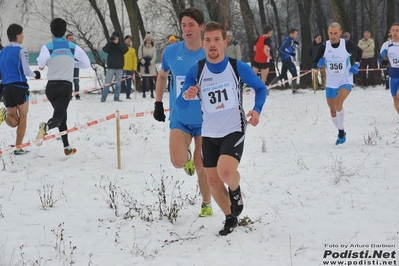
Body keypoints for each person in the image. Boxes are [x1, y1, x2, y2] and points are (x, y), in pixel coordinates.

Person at [177, 21, 267, 235]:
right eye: (207, 40)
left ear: (224, 42)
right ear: (202, 43)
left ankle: (235, 189)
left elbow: (260, 88)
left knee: (226, 172)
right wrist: (186, 95)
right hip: (208, 132)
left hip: (234, 128)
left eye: (217, 39)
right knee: (213, 181)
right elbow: (180, 103)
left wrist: (256, 109)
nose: (212, 44)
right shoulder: (196, 71)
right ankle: (230, 218)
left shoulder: (237, 67)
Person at [153, 7, 213, 217]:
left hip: (206, 119)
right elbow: (162, 76)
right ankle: (185, 154)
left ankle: (206, 203)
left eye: (191, 25)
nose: (187, 30)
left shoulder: (209, 51)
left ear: (201, 27)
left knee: (201, 163)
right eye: (184, 25)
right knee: (178, 161)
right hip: (181, 117)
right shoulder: (171, 51)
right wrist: (158, 103)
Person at [36, 18, 90, 155]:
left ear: (52, 31)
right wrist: (73, 63)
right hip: (65, 87)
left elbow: (41, 63)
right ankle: (45, 127)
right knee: (59, 117)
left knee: (62, 116)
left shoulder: (47, 47)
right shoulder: (72, 47)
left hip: (50, 88)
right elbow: (86, 64)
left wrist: (46, 64)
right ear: (65, 30)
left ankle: (67, 147)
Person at [313, 22, 363, 145]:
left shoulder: (346, 44)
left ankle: (340, 133)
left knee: (338, 103)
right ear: (327, 32)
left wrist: (356, 64)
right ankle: (341, 131)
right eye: (331, 33)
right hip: (331, 82)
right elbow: (314, 61)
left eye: (335, 33)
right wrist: (319, 63)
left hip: (345, 80)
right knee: (332, 111)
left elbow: (360, 51)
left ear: (340, 32)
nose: (333, 36)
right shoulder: (324, 46)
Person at [0, 24, 41, 155]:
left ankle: (4, 114)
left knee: (13, 121)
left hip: (6, 88)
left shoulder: (2, 52)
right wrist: (36, 74)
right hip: (19, 86)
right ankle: (18, 148)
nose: (23, 36)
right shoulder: (21, 51)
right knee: (22, 118)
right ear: (17, 36)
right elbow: (26, 70)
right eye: (22, 34)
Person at [100, 31, 128, 102]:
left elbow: (125, 50)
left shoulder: (122, 43)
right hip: (111, 66)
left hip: (119, 66)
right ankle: (103, 97)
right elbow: (104, 49)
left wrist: (118, 43)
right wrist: (110, 42)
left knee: (118, 83)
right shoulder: (110, 44)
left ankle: (116, 97)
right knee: (107, 82)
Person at [270, 28, 299, 93]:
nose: (297, 35)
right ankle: (294, 89)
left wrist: (294, 42)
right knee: (295, 74)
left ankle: (271, 84)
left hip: (285, 60)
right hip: (288, 60)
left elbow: (287, 45)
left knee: (282, 75)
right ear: (291, 34)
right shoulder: (288, 40)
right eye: (296, 34)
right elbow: (281, 49)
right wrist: (290, 53)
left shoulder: (290, 40)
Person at [380, 23, 399, 115]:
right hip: (393, 74)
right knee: (395, 97)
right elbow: (380, 57)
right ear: (390, 32)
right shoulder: (387, 45)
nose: (395, 33)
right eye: (393, 30)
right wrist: (383, 61)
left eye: (397, 31)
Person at [138, 33, 157, 98]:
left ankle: (152, 93)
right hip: (144, 65)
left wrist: (150, 62)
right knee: (144, 80)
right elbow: (139, 55)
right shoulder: (141, 46)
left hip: (151, 65)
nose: (148, 41)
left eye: (149, 40)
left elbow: (154, 56)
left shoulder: (154, 47)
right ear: (145, 40)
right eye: (147, 40)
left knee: (151, 80)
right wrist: (144, 62)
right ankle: (144, 93)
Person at [65, 33, 81, 100]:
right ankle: (69, 95)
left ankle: (77, 95)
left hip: (75, 65)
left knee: (76, 80)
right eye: (70, 39)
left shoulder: (76, 46)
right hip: (67, 66)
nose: (71, 40)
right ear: (67, 39)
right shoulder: (65, 46)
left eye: (72, 38)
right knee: (69, 81)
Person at [123, 35, 137, 99]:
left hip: (129, 69)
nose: (128, 40)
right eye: (127, 39)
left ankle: (128, 94)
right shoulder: (121, 48)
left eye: (130, 39)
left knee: (129, 82)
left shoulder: (132, 50)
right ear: (125, 40)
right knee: (119, 81)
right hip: (122, 68)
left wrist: (134, 69)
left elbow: (134, 60)